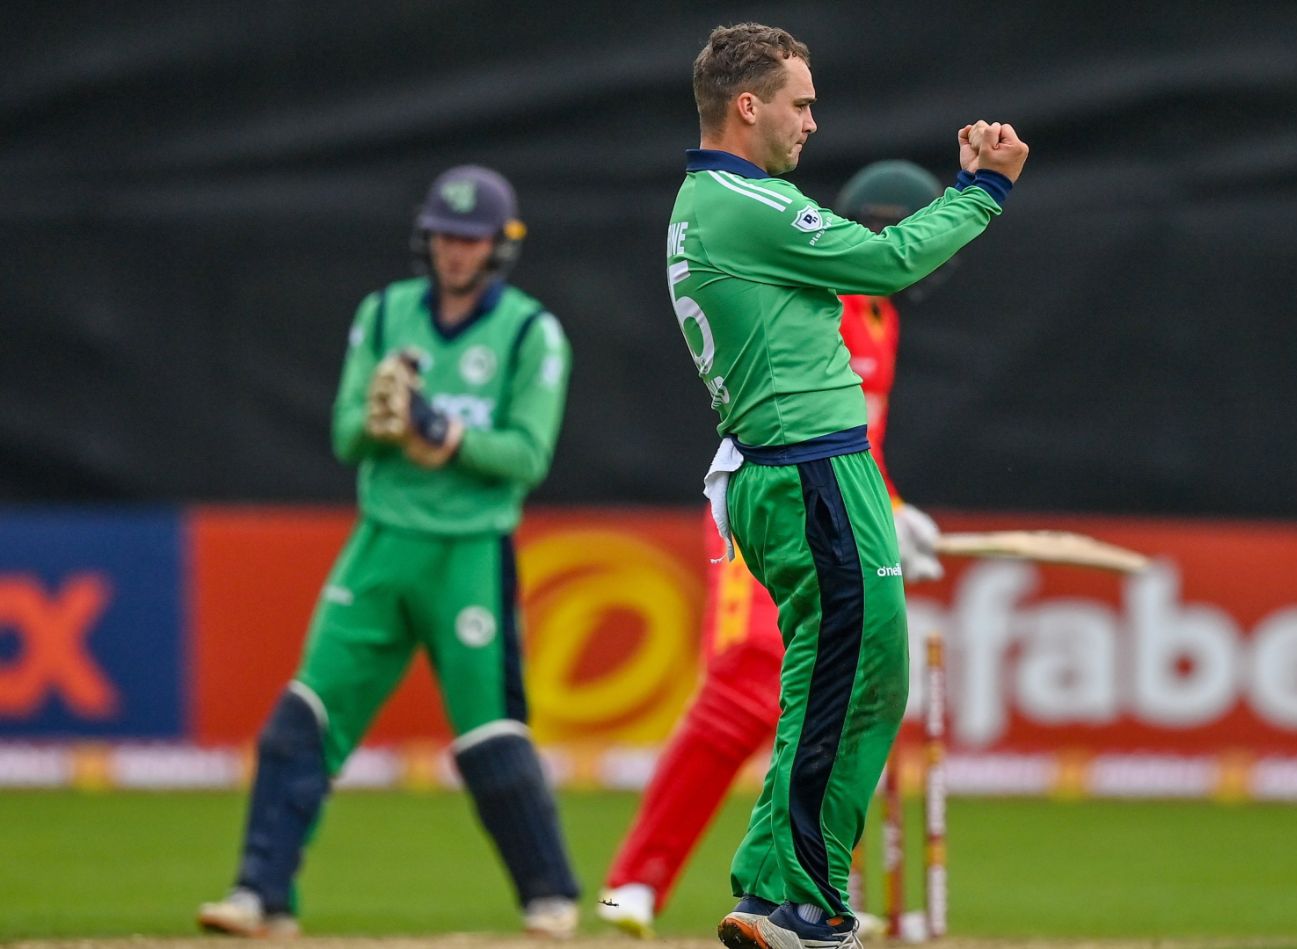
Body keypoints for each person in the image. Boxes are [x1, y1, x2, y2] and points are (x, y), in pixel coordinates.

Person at [662, 22, 1028, 949]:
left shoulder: (717, 201)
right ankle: (809, 901)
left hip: (802, 471)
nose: (813, 122)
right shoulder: (742, 203)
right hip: (810, 472)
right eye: (801, 102)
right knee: (848, 677)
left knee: (857, 674)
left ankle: (772, 887)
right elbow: (890, 259)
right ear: (749, 106)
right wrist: (982, 190)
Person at [196, 165, 581, 938]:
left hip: (469, 552)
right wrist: (382, 419)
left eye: (471, 240)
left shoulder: (531, 332)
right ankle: (260, 894)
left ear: (498, 246)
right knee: (303, 716)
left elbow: (529, 455)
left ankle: (553, 894)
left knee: (489, 735)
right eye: (444, 236)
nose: (455, 253)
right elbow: (345, 435)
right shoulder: (383, 314)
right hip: (381, 545)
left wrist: (449, 434)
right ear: (425, 238)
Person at [599, 160, 949, 939]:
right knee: (740, 691)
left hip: (834, 501)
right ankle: (628, 885)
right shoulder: (834, 295)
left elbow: (857, 440)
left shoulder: (884, 319)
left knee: (813, 690)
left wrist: (894, 509)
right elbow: (795, 419)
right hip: (780, 503)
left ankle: (765, 891)